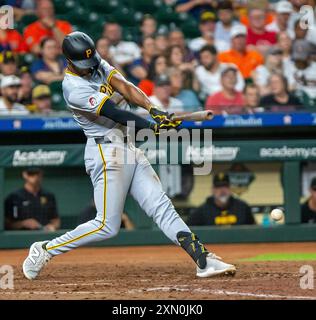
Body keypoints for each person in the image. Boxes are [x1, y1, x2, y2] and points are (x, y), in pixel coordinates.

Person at [22, 31, 236, 280]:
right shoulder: (73, 87)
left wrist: (153, 109)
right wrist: (152, 127)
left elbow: (125, 86)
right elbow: (114, 112)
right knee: (106, 226)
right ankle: (45, 249)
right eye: (84, 65)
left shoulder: (96, 63)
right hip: (105, 150)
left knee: (161, 206)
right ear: (69, 61)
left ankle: (203, 259)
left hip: (128, 146)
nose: (90, 68)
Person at [187, 172, 255, 226]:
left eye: (225, 186)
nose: (222, 190)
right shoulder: (201, 211)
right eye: (218, 187)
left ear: (230, 189)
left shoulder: (243, 208)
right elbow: (187, 232)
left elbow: (255, 229)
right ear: (212, 190)